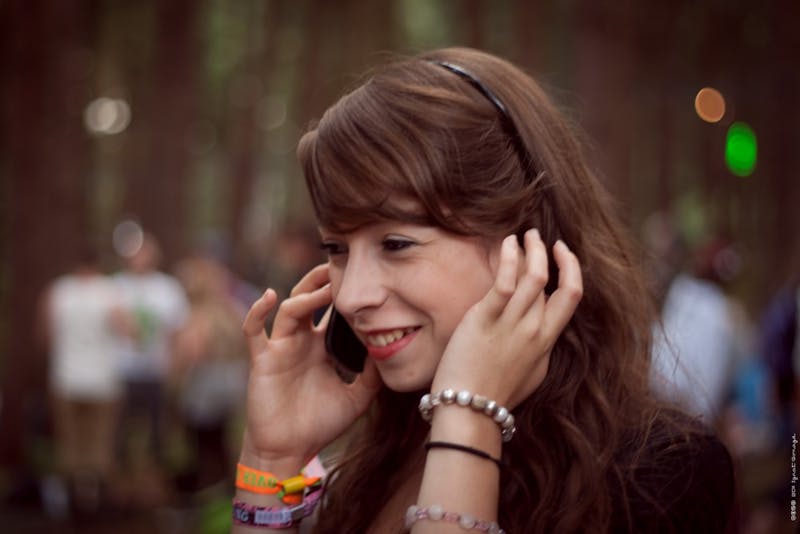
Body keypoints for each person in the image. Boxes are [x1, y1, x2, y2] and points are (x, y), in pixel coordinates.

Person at [232, 48, 735, 533]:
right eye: (337, 249)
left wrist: (469, 421)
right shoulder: (383, 458)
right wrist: (271, 461)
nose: (350, 297)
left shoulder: (662, 475)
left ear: (526, 243)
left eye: (397, 243)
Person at [40, 242, 121, 515]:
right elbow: (128, 330)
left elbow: (45, 334)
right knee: (97, 442)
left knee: (70, 442)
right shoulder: (110, 292)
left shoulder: (58, 291)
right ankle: (93, 499)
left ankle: (67, 499)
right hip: (102, 380)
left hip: (66, 378)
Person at [112, 232, 189, 499]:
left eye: (144, 252)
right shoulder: (116, 286)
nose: (139, 258)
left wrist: (176, 368)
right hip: (122, 372)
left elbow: (179, 332)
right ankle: (120, 489)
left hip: (156, 372)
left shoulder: (167, 288)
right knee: (119, 435)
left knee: (158, 434)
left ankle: (154, 489)